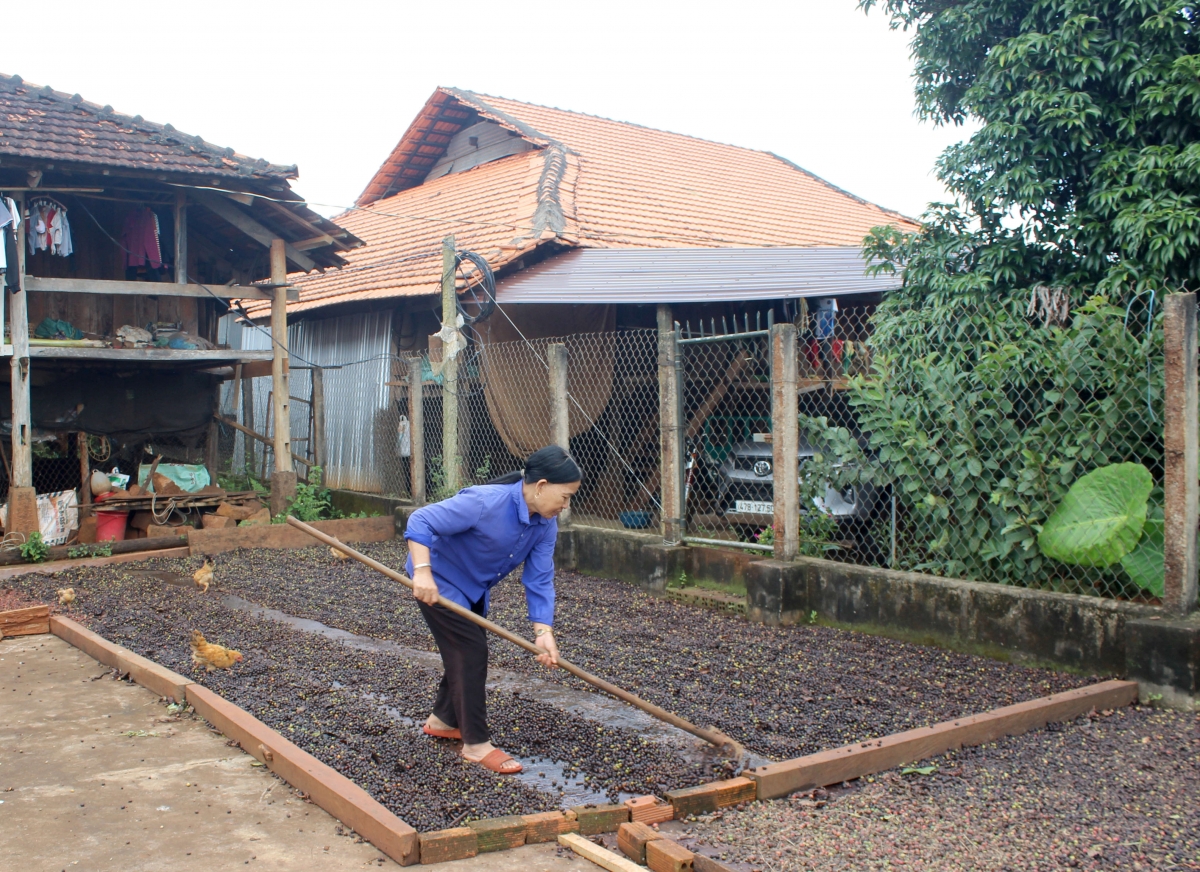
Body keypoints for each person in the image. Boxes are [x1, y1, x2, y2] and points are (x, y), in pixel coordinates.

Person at [404, 445, 582, 774]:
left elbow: (540, 579)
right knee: (470, 650)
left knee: (462, 651)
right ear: (541, 486)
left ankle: (443, 720)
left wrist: (543, 632)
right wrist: (422, 572)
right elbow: (421, 520)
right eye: (565, 496)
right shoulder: (484, 502)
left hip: (473, 589)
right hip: (438, 581)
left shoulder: (544, 525)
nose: (566, 505)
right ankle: (475, 744)